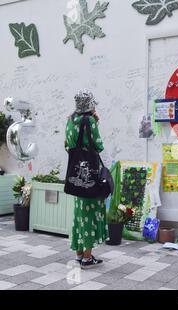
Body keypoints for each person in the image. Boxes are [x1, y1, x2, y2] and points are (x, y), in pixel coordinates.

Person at [64, 90, 107, 269]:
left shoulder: (70, 119)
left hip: (76, 172)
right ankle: (88, 258)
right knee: (90, 213)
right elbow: (99, 145)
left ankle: (80, 254)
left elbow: (67, 144)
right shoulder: (89, 121)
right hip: (90, 172)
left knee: (80, 213)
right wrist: (96, 122)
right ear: (90, 105)